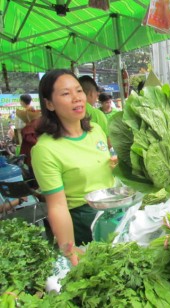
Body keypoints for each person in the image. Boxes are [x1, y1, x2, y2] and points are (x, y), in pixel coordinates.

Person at [31, 69, 116, 265]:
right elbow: (58, 206)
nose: (77, 98)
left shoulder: (95, 131)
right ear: (49, 104)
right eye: (65, 94)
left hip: (113, 213)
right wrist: (69, 249)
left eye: (78, 91)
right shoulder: (45, 150)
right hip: (82, 222)